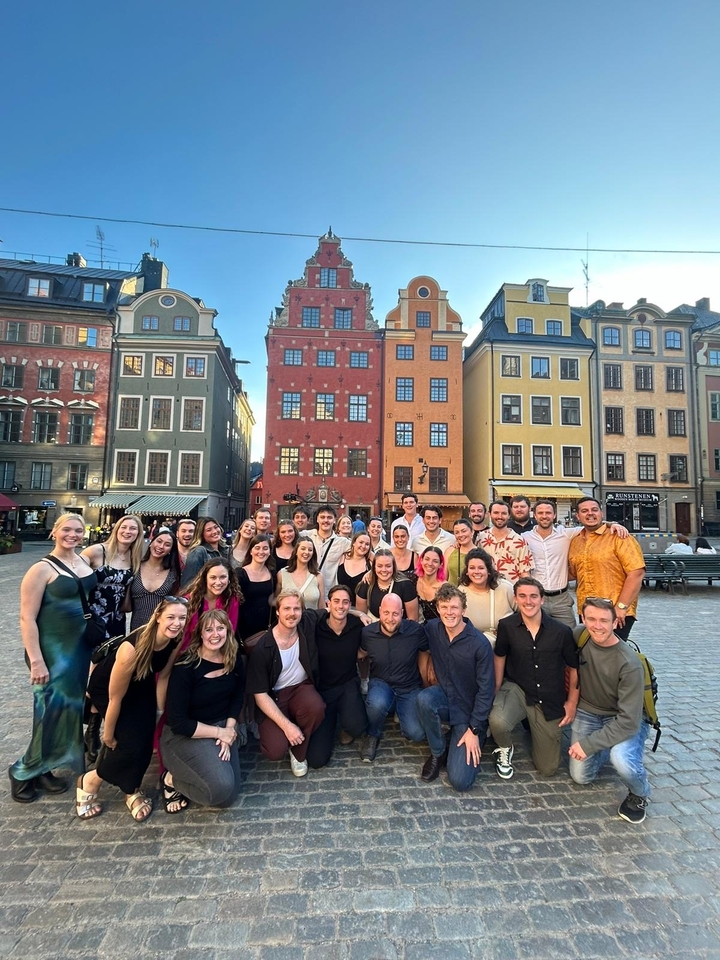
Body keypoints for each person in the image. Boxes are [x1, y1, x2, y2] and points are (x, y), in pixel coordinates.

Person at [9, 514, 97, 804]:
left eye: (78, 530)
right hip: (52, 651)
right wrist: (36, 660)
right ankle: (22, 771)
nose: (73, 535)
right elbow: (27, 617)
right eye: (67, 530)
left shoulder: (83, 560)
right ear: (54, 532)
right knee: (49, 711)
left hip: (79, 649)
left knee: (68, 710)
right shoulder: (41, 568)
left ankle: (44, 766)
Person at [80, 597, 188, 821]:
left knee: (144, 740)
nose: (177, 623)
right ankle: (90, 781)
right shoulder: (132, 648)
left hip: (141, 680)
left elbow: (163, 676)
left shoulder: (175, 638)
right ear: (157, 617)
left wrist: (158, 713)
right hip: (108, 688)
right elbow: (115, 697)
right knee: (128, 743)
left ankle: (131, 788)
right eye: (171, 617)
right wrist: (108, 734)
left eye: (182, 618)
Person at [568, 598, 651, 824]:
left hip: (624, 717)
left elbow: (628, 721)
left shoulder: (629, 663)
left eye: (604, 621)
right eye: (591, 619)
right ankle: (606, 745)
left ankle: (640, 793)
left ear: (615, 623)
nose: (597, 626)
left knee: (621, 759)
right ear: (583, 619)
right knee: (581, 776)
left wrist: (589, 745)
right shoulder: (580, 636)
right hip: (589, 711)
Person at [489, 578, 578, 780]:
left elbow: (574, 668)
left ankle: (535, 729)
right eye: (522, 596)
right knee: (497, 721)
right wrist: (496, 688)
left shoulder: (561, 631)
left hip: (549, 697)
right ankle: (504, 747)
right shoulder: (507, 626)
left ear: (542, 599)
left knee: (548, 768)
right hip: (518, 689)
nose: (528, 601)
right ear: (515, 599)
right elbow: (500, 656)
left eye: (533, 596)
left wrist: (572, 702)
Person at [161, 609, 244, 812]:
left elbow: (237, 696)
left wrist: (229, 730)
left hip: (222, 726)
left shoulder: (233, 657)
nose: (215, 634)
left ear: (228, 631)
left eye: (220, 628)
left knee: (228, 796)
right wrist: (220, 733)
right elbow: (179, 722)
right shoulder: (186, 667)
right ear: (200, 634)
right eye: (209, 630)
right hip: (185, 735)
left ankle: (209, 777)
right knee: (221, 787)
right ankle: (170, 780)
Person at [416, 584, 495, 790]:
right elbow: (409, 634)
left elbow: (486, 691)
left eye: (454, 607)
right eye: (444, 607)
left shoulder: (479, 644)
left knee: (460, 781)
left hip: (469, 712)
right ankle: (438, 752)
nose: (449, 612)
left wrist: (474, 729)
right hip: (446, 697)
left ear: (463, 610)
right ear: (438, 608)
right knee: (424, 699)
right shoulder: (433, 629)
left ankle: (477, 736)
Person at [246, 590, 326, 777]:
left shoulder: (306, 623)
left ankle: (298, 753)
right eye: (287, 608)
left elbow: (334, 610)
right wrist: (287, 727)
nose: (292, 613)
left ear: (302, 611)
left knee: (316, 707)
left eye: (297, 609)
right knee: (275, 750)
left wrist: (359, 613)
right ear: (277, 612)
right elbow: (260, 695)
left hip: (301, 688)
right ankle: (290, 729)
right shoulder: (263, 647)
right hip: (274, 696)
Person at [523, 500, 629, 628]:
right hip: (536, 597)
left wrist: (613, 524)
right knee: (533, 633)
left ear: (554, 515)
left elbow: (591, 524)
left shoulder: (566, 534)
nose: (544, 516)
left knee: (569, 634)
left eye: (548, 513)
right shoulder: (524, 538)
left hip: (561, 599)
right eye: (540, 513)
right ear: (534, 515)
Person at [358, 593, 427, 762]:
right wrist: (363, 678)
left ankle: (401, 712)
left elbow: (425, 652)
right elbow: (361, 654)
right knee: (376, 703)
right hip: (381, 683)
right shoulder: (367, 633)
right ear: (380, 611)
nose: (390, 618)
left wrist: (426, 681)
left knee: (416, 734)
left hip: (409, 686)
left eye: (395, 613)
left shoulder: (415, 631)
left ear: (402, 613)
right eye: (386, 613)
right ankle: (373, 733)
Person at [305, 585, 368, 768]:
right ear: (328, 603)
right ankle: (331, 724)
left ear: (350, 605)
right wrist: (357, 611)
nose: (341, 606)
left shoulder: (356, 626)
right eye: (336, 601)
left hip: (348, 685)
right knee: (316, 760)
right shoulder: (316, 626)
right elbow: (305, 614)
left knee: (357, 727)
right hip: (323, 691)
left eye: (345, 602)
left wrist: (358, 614)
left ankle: (346, 726)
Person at [568, 497, 645, 640]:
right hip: (587, 609)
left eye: (594, 510)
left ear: (601, 513)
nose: (590, 513)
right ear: (578, 516)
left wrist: (621, 607)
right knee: (589, 650)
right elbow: (573, 573)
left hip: (614, 610)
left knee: (612, 651)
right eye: (584, 511)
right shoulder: (576, 541)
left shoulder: (619, 536)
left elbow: (637, 573)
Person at [81, 514, 144, 639]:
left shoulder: (135, 557)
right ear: (116, 530)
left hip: (117, 619)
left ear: (138, 533)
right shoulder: (96, 551)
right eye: (123, 527)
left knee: (113, 651)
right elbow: (74, 573)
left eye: (133, 528)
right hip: (92, 617)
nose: (127, 531)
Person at [457, 548, 516, 647]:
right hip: (472, 646)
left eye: (481, 568)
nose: (476, 572)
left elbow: (523, 611)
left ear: (488, 570)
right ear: (467, 571)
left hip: (505, 644)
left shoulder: (505, 588)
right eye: (472, 568)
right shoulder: (461, 591)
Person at [129, 529, 181, 631]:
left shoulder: (173, 573)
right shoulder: (135, 567)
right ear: (151, 543)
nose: (161, 546)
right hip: (136, 629)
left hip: (162, 629)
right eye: (159, 541)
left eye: (167, 545)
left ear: (171, 550)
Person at [477, 501, 533, 584]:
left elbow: (525, 572)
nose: (500, 516)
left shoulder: (519, 541)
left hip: (511, 589)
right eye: (496, 513)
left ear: (509, 515)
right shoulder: (481, 538)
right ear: (489, 514)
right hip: (485, 588)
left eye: (503, 513)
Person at [355, 550, 419, 621]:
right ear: (374, 567)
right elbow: (361, 616)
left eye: (388, 566)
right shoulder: (366, 583)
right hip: (374, 625)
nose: (384, 570)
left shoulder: (405, 585)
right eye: (379, 566)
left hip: (401, 626)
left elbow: (413, 619)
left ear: (393, 567)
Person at [235, 535, 275, 642]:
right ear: (250, 551)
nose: (261, 552)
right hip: (243, 627)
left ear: (270, 552)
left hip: (266, 627)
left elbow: (273, 598)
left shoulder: (272, 573)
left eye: (265, 548)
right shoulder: (240, 574)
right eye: (257, 548)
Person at [308, 506, 351, 589]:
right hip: (309, 590)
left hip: (329, 591)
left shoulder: (342, 542)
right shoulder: (307, 535)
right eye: (322, 517)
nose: (326, 520)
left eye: (329, 517)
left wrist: (370, 572)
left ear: (334, 520)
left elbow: (363, 549)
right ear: (317, 519)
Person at [278, 537, 324, 610]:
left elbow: (321, 606)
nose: (306, 552)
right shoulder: (282, 574)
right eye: (303, 549)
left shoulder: (318, 576)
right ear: (296, 551)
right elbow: (277, 600)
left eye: (310, 550)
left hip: (312, 617)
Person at [181, 518, 227, 587]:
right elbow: (188, 583)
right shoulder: (198, 552)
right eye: (209, 530)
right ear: (201, 534)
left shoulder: (225, 550)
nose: (214, 531)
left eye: (216, 527)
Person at [414, 546, 446, 622]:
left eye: (435, 561)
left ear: (441, 564)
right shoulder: (412, 579)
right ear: (421, 560)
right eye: (427, 559)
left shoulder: (445, 589)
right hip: (415, 626)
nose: (430, 563)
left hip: (437, 628)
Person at [337, 532, 372, 597]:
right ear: (353, 543)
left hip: (361, 602)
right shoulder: (342, 557)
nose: (363, 546)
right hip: (341, 601)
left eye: (367, 544)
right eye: (361, 542)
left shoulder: (371, 564)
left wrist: (372, 571)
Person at [444, 518, 475, 585]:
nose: (460, 535)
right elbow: (444, 577)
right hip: (451, 590)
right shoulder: (450, 551)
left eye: (464, 531)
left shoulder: (480, 554)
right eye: (457, 532)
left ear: (472, 532)